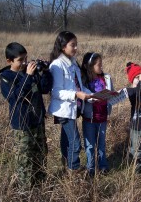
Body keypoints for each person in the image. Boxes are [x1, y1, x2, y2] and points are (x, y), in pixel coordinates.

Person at [0, 42, 52, 189]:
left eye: (25, 59)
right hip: (22, 126)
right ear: (9, 61)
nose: (24, 63)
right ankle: (26, 191)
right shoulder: (6, 77)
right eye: (20, 60)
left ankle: (41, 187)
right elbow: (16, 96)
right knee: (25, 160)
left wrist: (45, 72)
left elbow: (45, 89)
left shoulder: (31, 72)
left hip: (37, 121)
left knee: (40, 156)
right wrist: (28, 76)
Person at [48, 31, 91, 174]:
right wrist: (76, 95)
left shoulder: (73, 63)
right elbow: (56, 92)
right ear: (62, 47)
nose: (76, 48)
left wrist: (92, 95)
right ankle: (74, 169)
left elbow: (78, 85)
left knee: (67, 139)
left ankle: (67, 164)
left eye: (76, 45)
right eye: (73, 45)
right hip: (63, 109)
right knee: (75, 142)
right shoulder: (57, 65)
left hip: (72, 108)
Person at [81, 52, 113, 177]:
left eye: (101, 64)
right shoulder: (84, 81)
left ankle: (103, 166)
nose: (101, 66)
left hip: (103, 117)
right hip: (89, 118)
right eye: (98, 64)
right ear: (90, 66)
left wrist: (115, 96)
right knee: (89, 145)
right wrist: (93, 98)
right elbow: (84, 96)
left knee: (101, 144)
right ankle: (90, 168)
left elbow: (111, 93)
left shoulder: (106, 78)